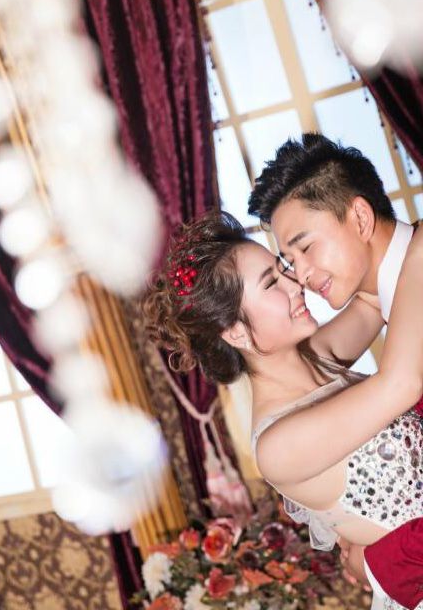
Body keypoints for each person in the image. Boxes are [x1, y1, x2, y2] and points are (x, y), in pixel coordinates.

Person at [143, 210, 423, 610]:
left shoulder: (320, 355)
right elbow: (402, 384)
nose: (296, 283)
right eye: (272, 283)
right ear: (236, 332)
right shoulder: (278, 445)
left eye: (283, 268)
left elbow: (375, 293)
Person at [248, 133, 423, 608]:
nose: (300, 277)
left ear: (360, 218)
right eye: (288, 262)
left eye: (305, 248)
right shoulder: (393, 297)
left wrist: (382, 561)